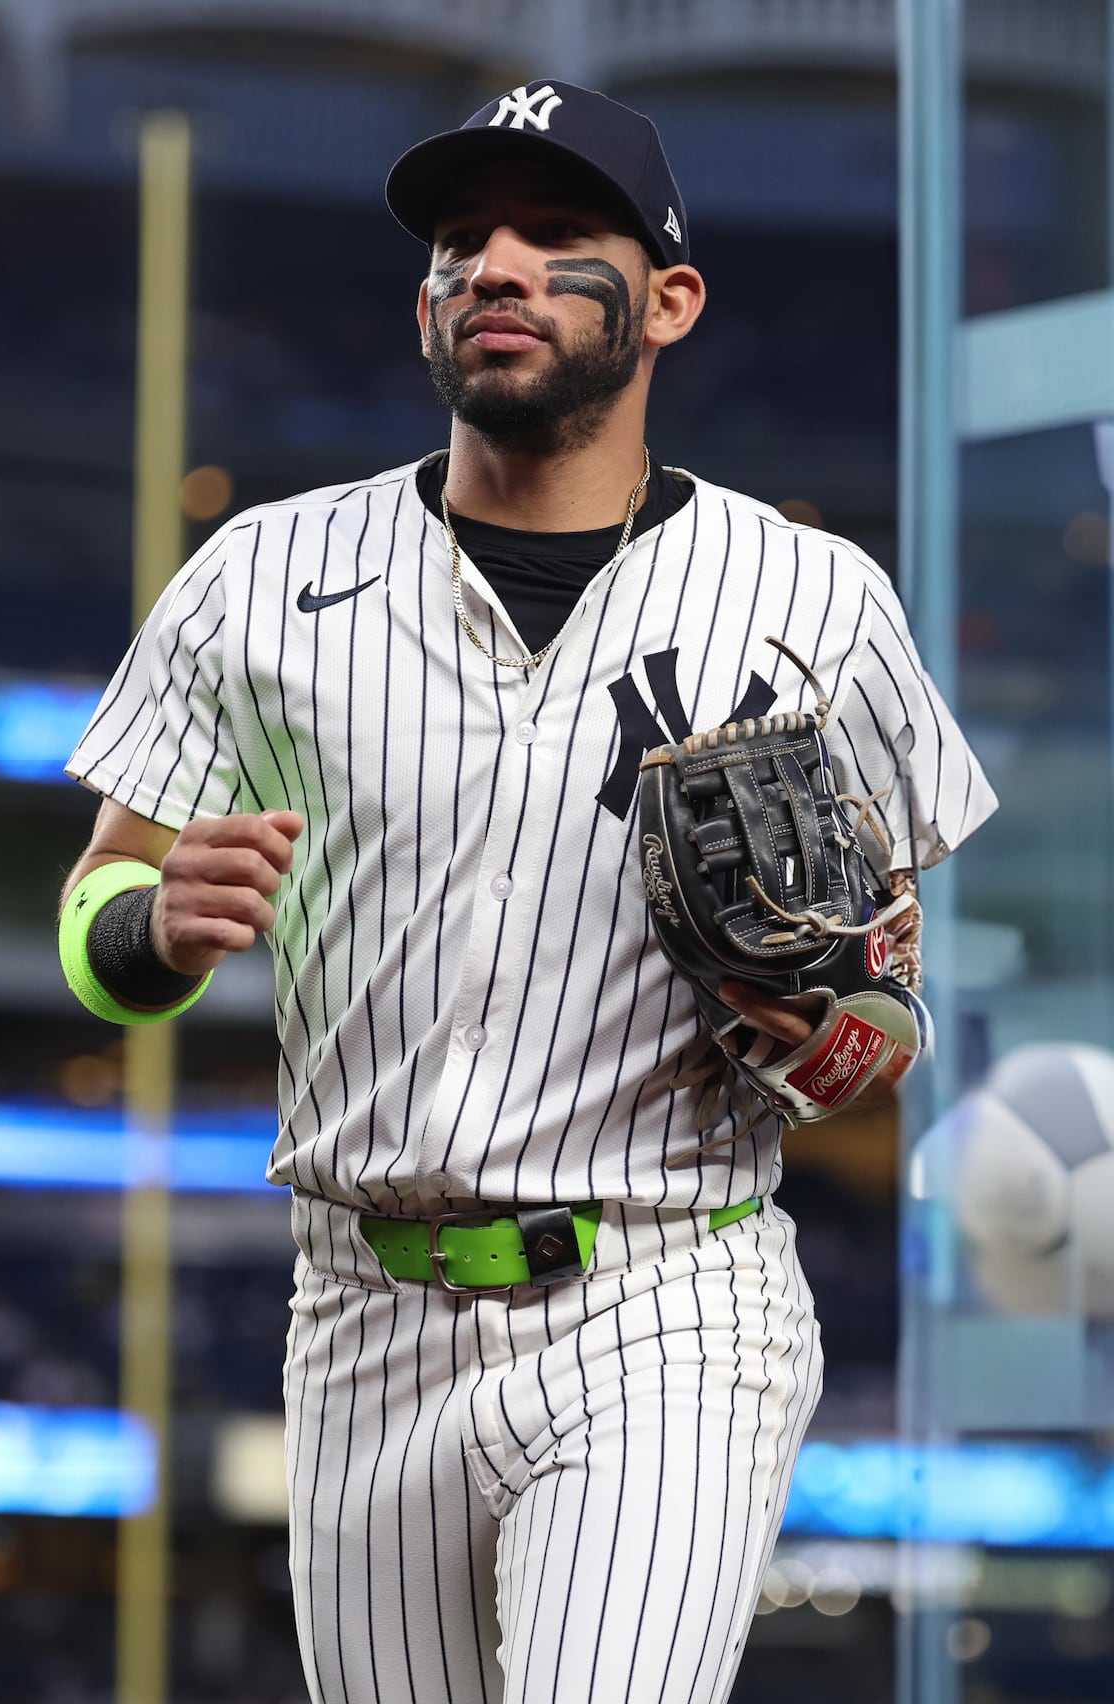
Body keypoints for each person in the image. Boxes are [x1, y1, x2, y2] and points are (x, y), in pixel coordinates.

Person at [58, 81, 996, 1704]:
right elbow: (98, 922)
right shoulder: (259, 579)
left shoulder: (811, 599)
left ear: (671, 301)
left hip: (665, 1290)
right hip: (359, 1312)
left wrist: (840, 1040)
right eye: (461, 240)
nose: (496, 265)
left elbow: (892, 997)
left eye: (558, 237)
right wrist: (150, 925)